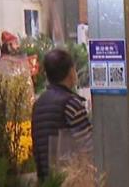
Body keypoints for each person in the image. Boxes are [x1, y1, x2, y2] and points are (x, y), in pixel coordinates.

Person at [31, 49, 93, 179]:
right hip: (68, 183)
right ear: (71, 72)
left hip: (47, 184)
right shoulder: (71, 104)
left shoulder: (38, 104)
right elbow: (88, 146)